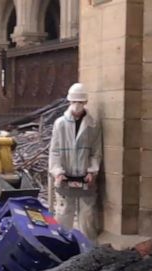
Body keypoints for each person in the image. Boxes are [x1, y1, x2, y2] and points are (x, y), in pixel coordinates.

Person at [48, 82, 102, 242]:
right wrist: (57, 172)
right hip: (65, 176)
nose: (77, 105)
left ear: (85, 102)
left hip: (85, 177)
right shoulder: (60, 124)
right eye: (74, 102)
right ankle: (62, 247)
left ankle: (90, 249)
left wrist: (92, 171)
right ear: (69, 102)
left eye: (80, 102)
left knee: (88, 216)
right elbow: (55, 151)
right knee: (64, 214)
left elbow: (96, 151)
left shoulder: (93, 125)